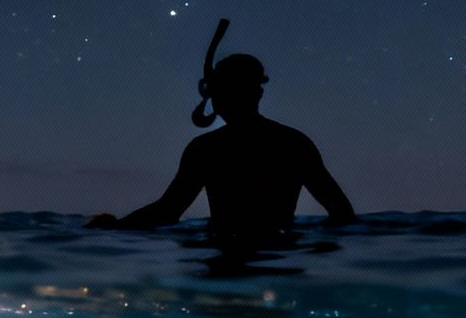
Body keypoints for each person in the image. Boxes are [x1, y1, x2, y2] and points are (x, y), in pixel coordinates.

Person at [87, 53, 356, 244]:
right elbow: (342, 213)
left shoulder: (206, 149)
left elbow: (167, 212)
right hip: (281, 257)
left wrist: (114, 227)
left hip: (223, 257)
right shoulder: (294, 143)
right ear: (258, 93)